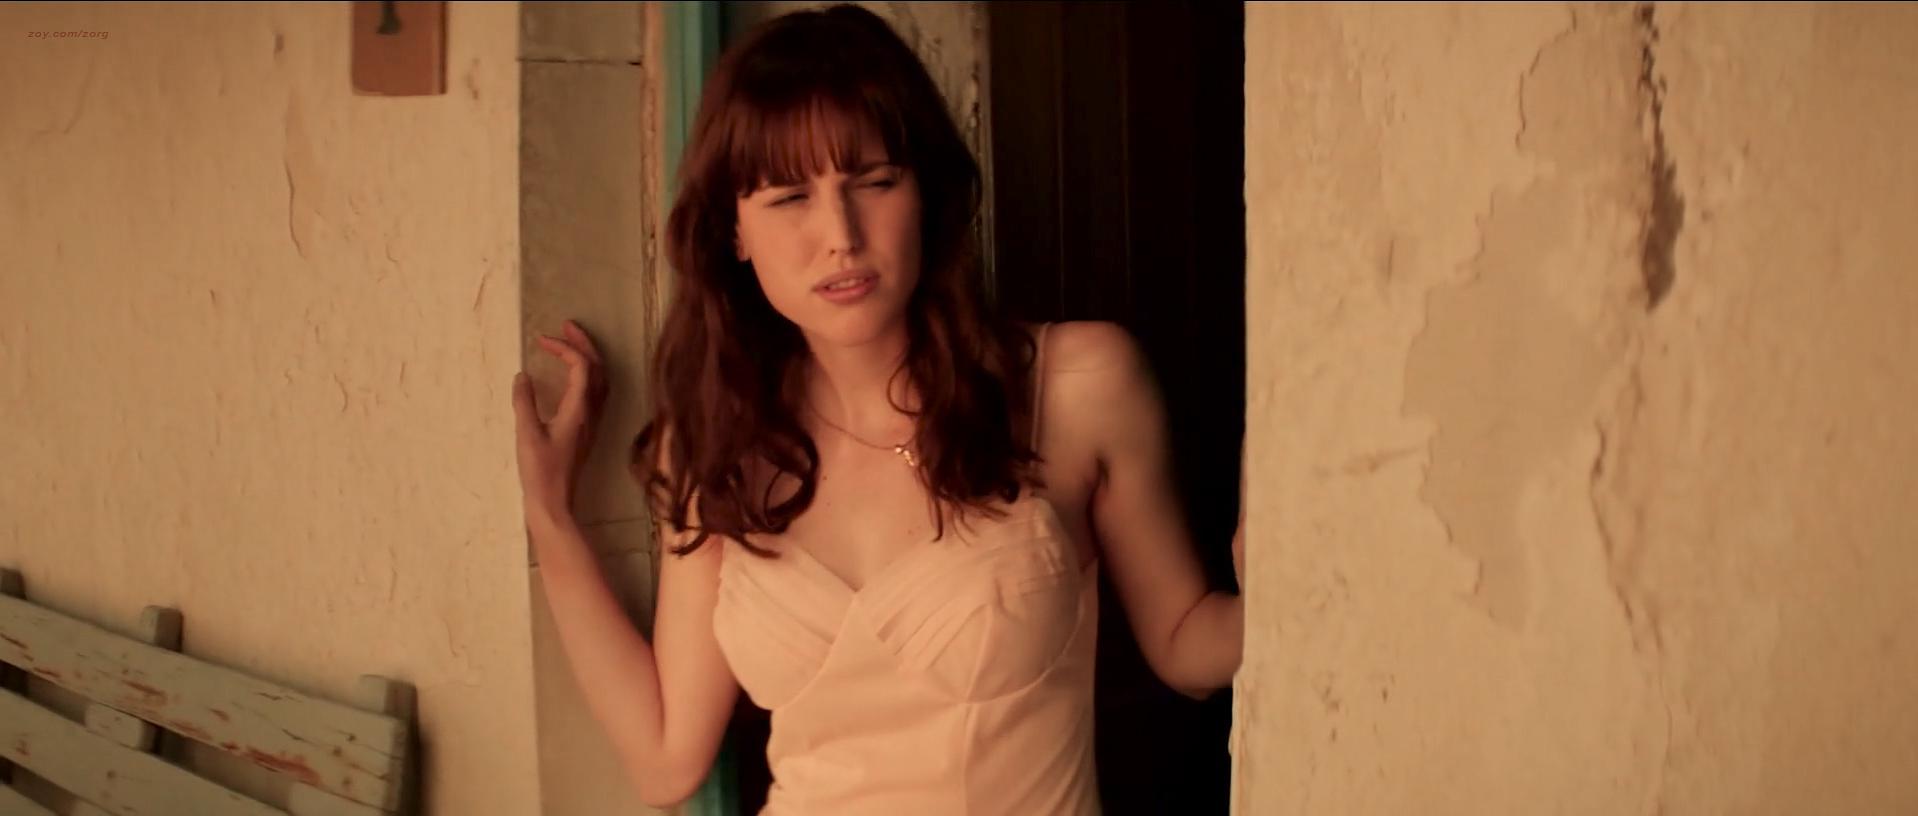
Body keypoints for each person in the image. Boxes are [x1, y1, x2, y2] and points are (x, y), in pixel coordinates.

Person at [510, 5, 1244, 813]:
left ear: (925, 191)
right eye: (790, 196)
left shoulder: (1075, 385)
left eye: (875, 181)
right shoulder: (717, 441)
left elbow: (1185, 647)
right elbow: (665, 762)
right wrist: (551, 517)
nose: (841, 234)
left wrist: (1295, 570)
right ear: (734, 232)